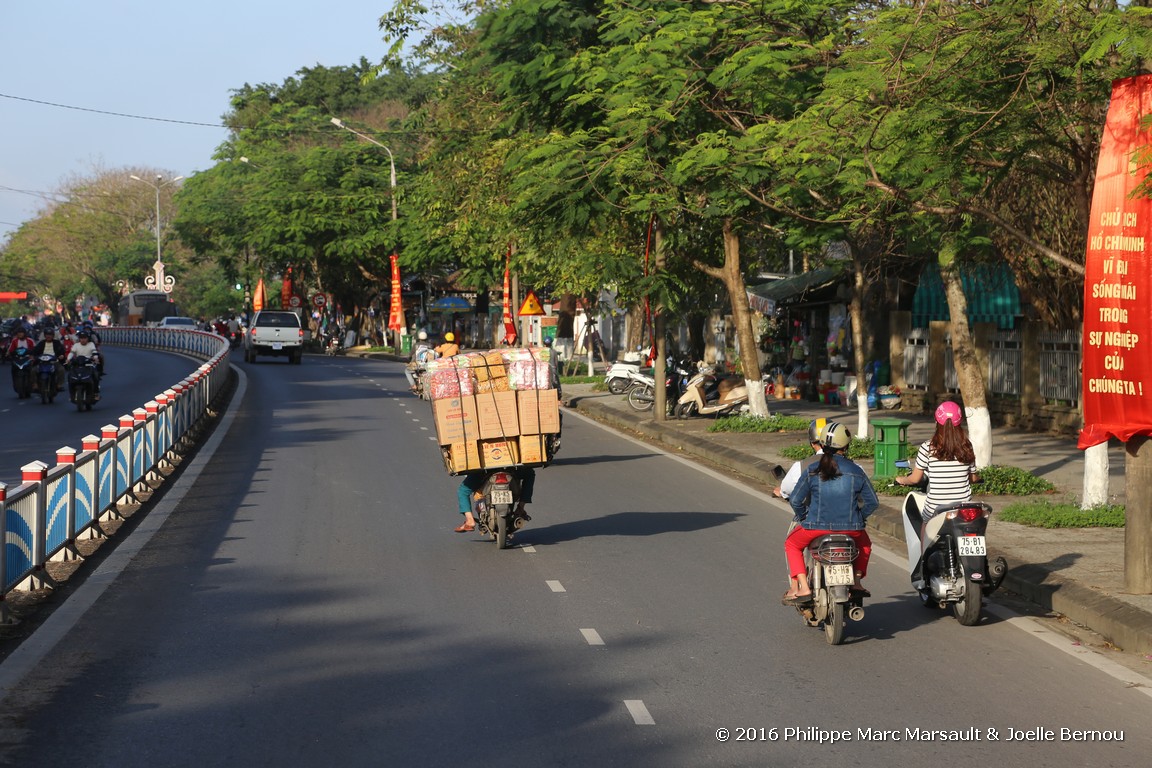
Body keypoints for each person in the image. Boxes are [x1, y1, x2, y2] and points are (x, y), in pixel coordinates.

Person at [783, 422, 877, 604]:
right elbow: (872, 502)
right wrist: (859, 517)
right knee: (865, 544)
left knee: (791, 545)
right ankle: (856, 582)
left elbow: (795, 500)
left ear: (821, 444)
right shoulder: (857, 471)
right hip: (852, 529)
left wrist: (804, 517)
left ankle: (803, 587)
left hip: (815, 528)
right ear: (846, 446)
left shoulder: (812, 470)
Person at [894, 401, 979, 521]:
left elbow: (915, 479)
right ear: (960, 422)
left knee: (925, 526)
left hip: (936, 508)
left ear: (937, 422)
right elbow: (973, 478)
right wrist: (978, 478)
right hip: (963, 509)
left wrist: (902, 479)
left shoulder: (928, 447)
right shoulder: (966, 446)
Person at [454, 467, 536, 532]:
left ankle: (469, 520)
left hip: (483, 471)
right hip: (511, 468)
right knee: (530, 474)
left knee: (463, 491)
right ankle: (521, 507)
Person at [774, 418, 826, 501]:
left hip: (815, 513)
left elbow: (787, 489)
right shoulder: (852, 466)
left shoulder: (801, 467)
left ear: (812, 444)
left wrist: (781, 491)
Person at [66, 329, 102, 399]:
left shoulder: (91, 344)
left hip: (89, 363)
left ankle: (96, 393)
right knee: (70, 376)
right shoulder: (76, 345)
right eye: (81, 338)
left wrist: (95, 358)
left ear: (88, 338)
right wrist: (68, 359)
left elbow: (94, 351)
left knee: (95, 375)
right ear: (79, 339)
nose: (83, 340)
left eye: (85, 338)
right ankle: (72, 394)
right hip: (78, 364)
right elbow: (72, 353)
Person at [32, 326, 67, 391]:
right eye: (47, 335)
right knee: (33, 370)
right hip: (42, 362)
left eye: (50, 335)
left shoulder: (57, 343)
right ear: (45, 335)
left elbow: (62, 350)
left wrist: (61, 355)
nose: (48, 336)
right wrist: (33, 356)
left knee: (61, 369)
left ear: (53, 335)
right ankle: (35, 384)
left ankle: (59, 384)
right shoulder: (41, 343)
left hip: (54, 362)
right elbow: (35, 351)